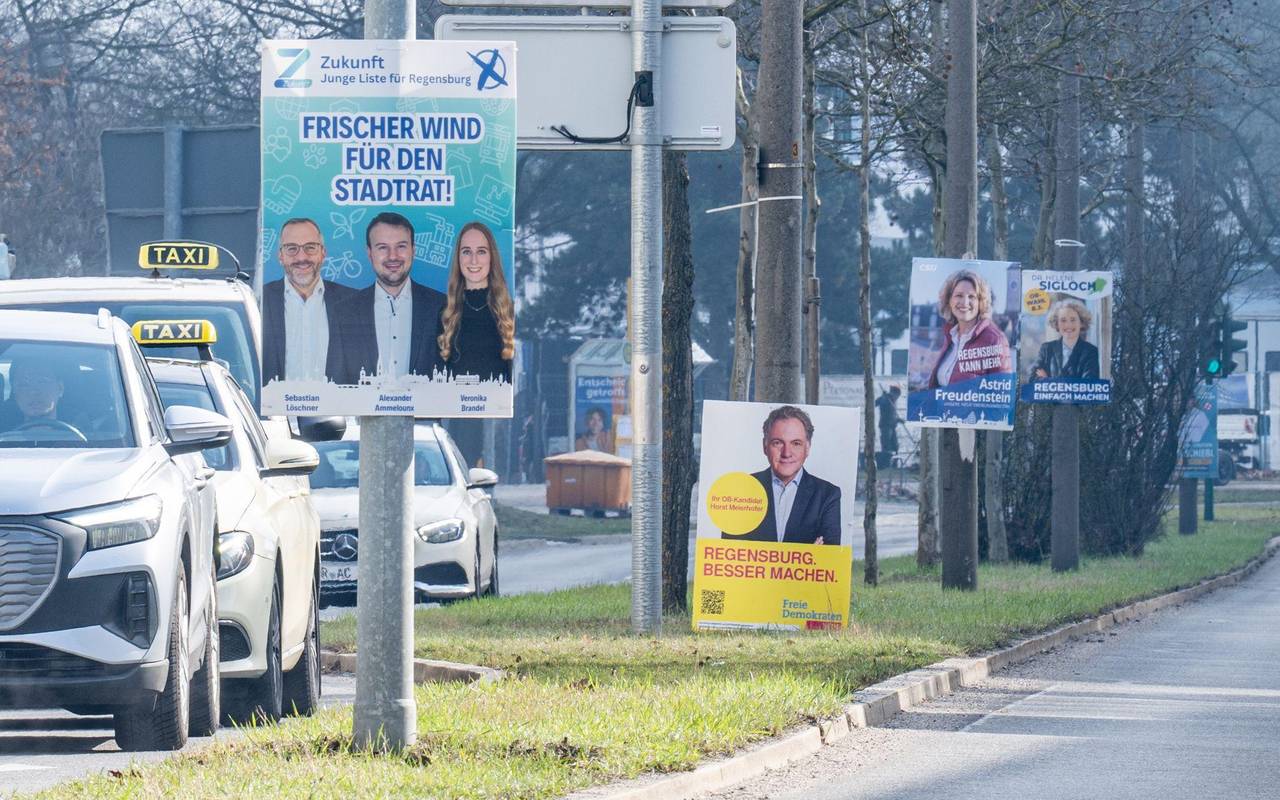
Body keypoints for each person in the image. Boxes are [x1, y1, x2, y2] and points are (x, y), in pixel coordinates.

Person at [329, 212, 447, 385]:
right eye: (383, 247)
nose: (393, 256)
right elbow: (336, 383)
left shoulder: (442, 307)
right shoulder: (344, 312)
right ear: (369, 253)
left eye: (401, 246)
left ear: (413, 251)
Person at [261, 218, 355, 383]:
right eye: (292, 248)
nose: (301, 257)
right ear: (280, 256)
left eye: (310, 247)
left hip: (337, 399)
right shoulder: (259, 300)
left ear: (323, 253)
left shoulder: (353, 302)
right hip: (277, 400)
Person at [731, 405, 841, 546]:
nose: (786, 453)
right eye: (777, 443)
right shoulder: (741, 490)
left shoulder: (828, 495)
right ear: (765, 446)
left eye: (796, 443)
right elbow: (730, 552)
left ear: (807, 448)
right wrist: (808, 553)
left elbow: (830, 555)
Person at [436, 221, 515, 383]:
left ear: (492, 257)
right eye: (466, 252)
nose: (473, 260)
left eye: (481, 251)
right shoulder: (445, 313)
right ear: (458, 258)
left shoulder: (510, 311)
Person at [927, 269, 1013, 388]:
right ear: (949, 300)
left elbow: (1003, 393)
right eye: (959, 295)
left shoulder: (995, 340)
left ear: (981, 302)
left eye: (972, 296)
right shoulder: (951, 336)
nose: (965, 302)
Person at [1030, 299, 1100, 380]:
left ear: (1081, 323)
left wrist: (1047, 379)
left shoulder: (1091, 351)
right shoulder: (1046, 349)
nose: (1068, 325)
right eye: (1063, 320)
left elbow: (1088, 383)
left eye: (1073, 320)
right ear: (1057, 324)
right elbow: (1033, 378)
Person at [875, 385, 902, 469]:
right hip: (885, 426)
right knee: (886, 445)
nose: (897, 398)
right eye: (897, 395)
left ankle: (894, 465)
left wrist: (898, 420)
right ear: (893, 393)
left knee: (895, 446)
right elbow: (875, 403)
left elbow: (893, 415)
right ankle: (885, 465)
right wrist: (883, 397)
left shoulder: (893, 401)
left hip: (892, 426)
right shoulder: (885, 399)